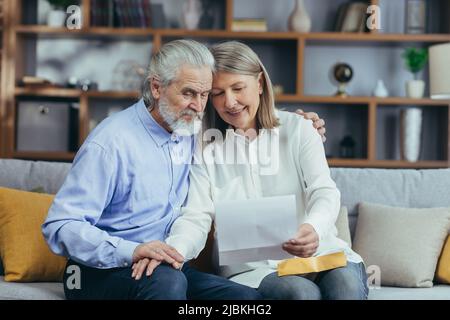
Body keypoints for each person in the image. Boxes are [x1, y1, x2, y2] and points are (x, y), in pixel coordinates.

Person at [133, 41, 368, 300]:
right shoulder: (203, 144)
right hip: (253, 269)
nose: (229, 102)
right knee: (300, 294)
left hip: (322, 254)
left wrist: (314, 228)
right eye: (218, 93)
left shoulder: (299, 129)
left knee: (346, 288)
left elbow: (323, 190)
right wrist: (173, 252)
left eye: (238, 88)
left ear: (259, 83)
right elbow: (197, 214)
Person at [42, 39, 264, 300]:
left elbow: (247, 118)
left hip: (165, 267)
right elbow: (60, 225)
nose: (199, 105)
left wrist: (302, 123)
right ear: (156, 87)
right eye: (189, 93)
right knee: (167, 283)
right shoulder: (110, 143)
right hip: (96, 273)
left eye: (205, 95)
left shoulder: (192, 131)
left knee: (247, 300)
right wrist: (132, 250)